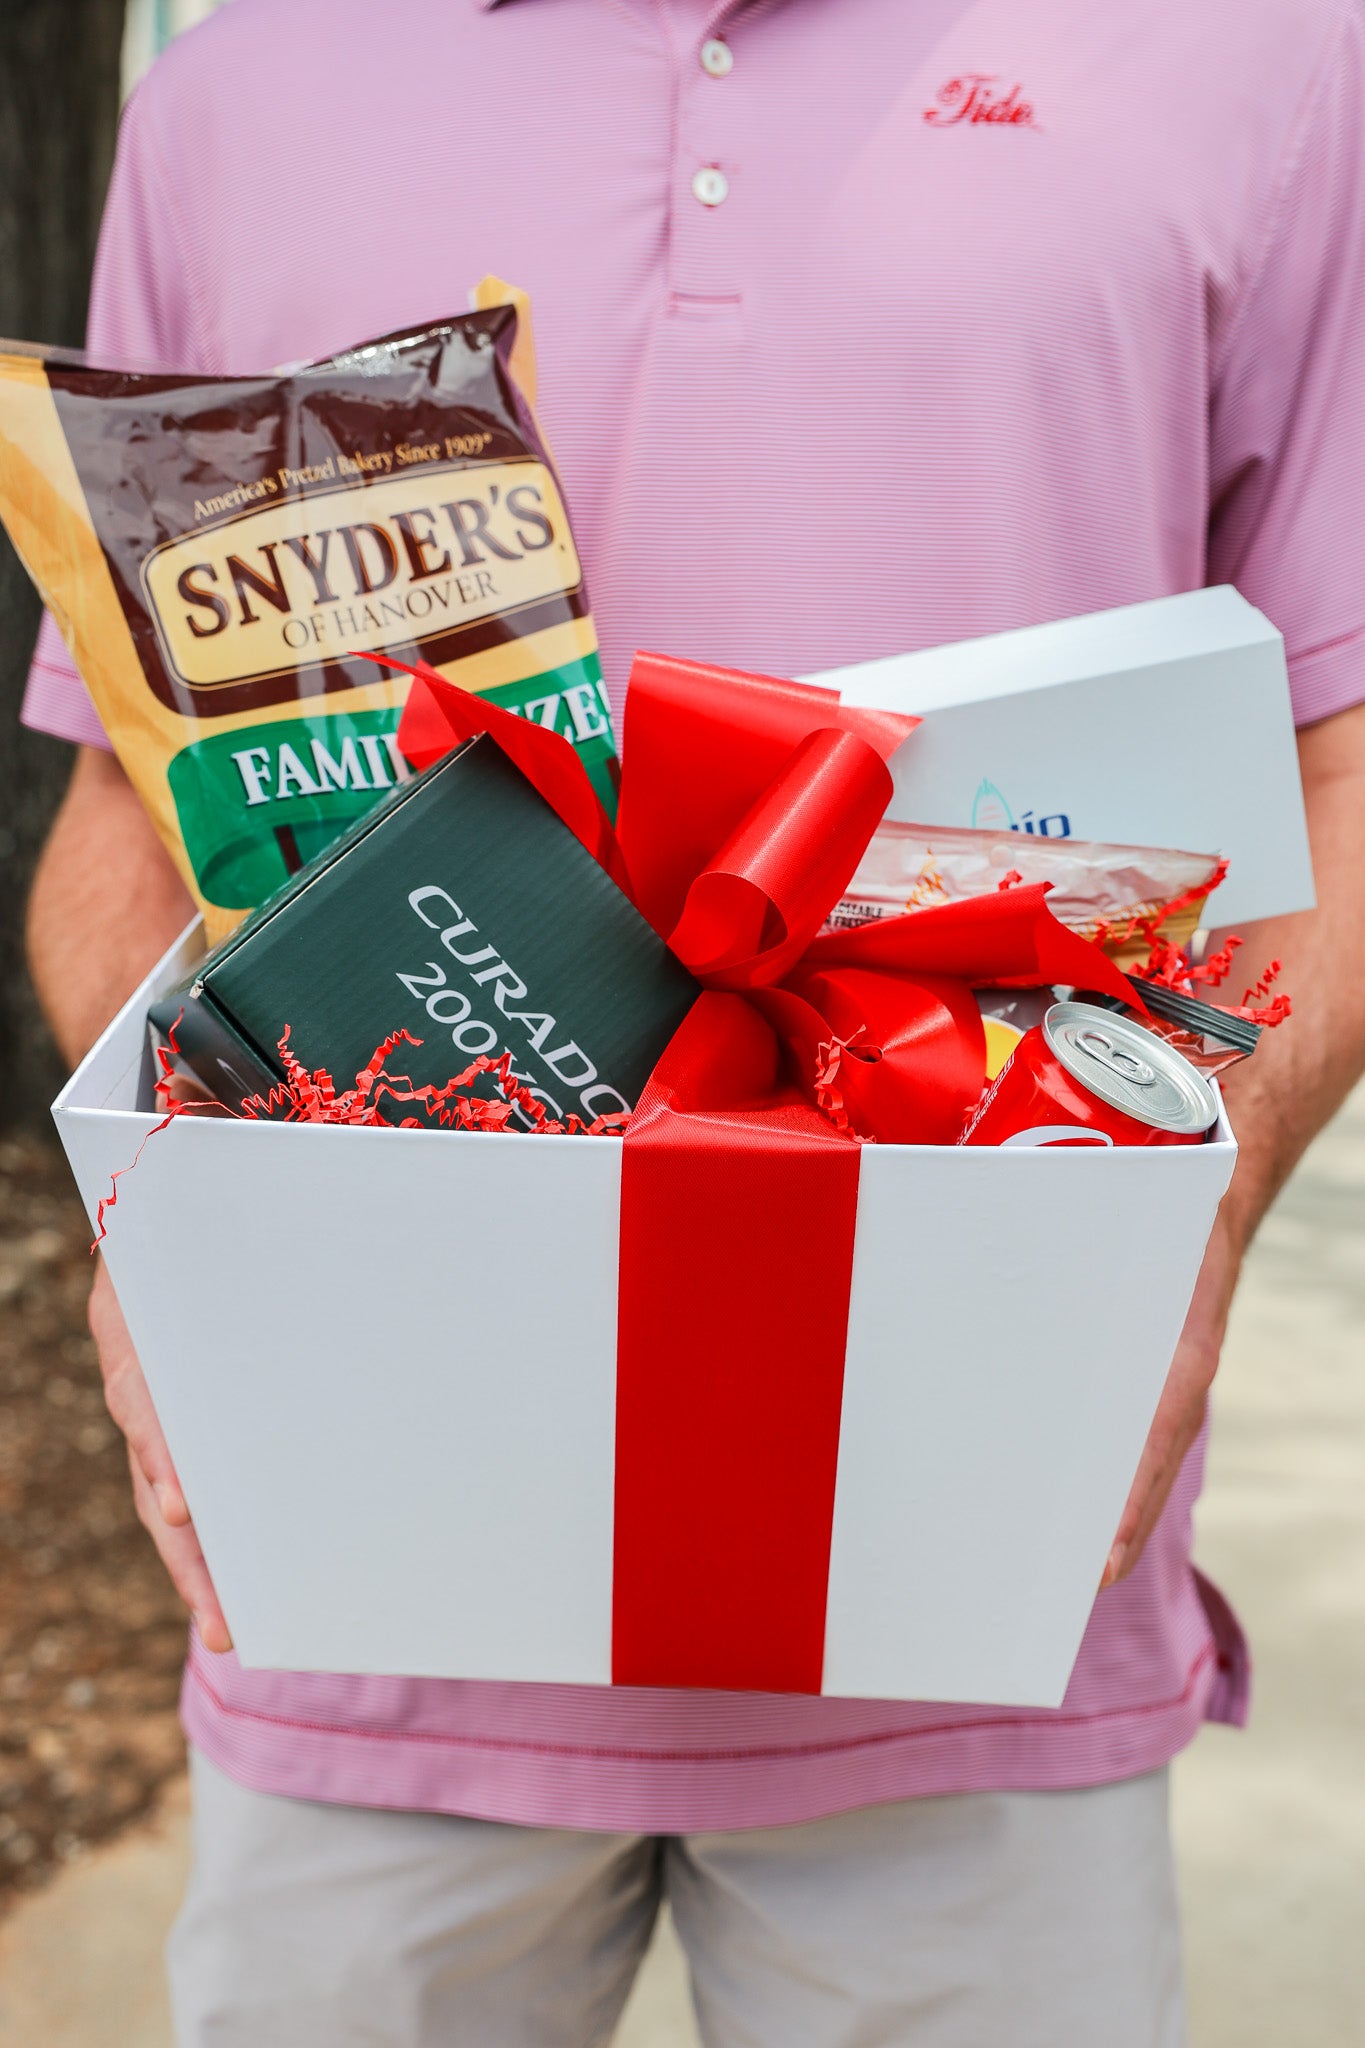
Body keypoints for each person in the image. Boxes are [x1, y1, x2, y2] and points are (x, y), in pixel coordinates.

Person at [21, 1, 1365, 2042]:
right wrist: (172, 1234)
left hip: (979, 1599)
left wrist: (1188, 1230)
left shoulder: (1260, 54)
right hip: (371, 1590)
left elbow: (1336, 759)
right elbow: (132, 796)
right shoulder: (248, 81)